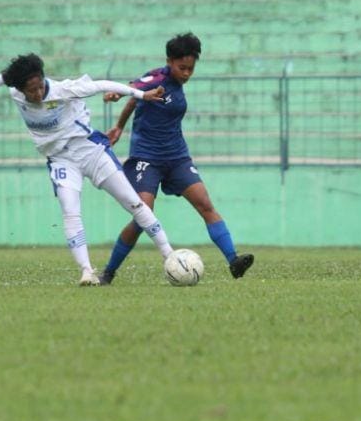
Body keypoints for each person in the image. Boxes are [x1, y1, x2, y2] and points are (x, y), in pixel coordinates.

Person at [0, 53, 174, 285]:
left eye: (39, 86)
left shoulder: (64, 90)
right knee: (70, 210)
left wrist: (142, 94)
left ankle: (170, 256)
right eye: (31, 90)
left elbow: (101, 85)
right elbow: (4, 77)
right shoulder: (15, 91)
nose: (37, 93)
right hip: (60, 159)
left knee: (134, 202)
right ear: (19, 89)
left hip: (90, 150)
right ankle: (87, 271)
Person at [97, 33, 254, 285]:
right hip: (146, 158)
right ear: (169, 61)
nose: (187, 73)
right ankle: (108, 272)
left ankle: (234, 261)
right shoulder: (157, 77)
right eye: (182, 68)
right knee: (143, 216)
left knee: (205, 204)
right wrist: (116, 102)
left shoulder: (178, 85)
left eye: (191, 68)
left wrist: (120, 125)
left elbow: (134, 104)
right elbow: (133, 91)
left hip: (177, 157)